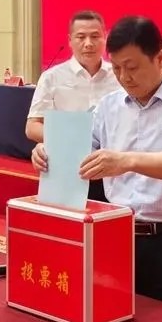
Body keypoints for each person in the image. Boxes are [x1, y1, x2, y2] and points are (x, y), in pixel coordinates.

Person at [31, 16, 162, 315]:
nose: (124, 77)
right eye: (116, 68)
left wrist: (126, 160)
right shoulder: (109, 105)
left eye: (132, 67)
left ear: (160, 58)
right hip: (118, 238)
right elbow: (80, 152)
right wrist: (48, 153)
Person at [25, 10, 121, 202]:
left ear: (105, 38)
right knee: (67, 217)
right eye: (81, 37)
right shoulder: (52, 77)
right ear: (70, 40)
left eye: (95, 36)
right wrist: (72, 139)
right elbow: (32, 127)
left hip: (115, 170)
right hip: (67, 167)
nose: (88, 43)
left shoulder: (120, 75)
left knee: (113, 217)